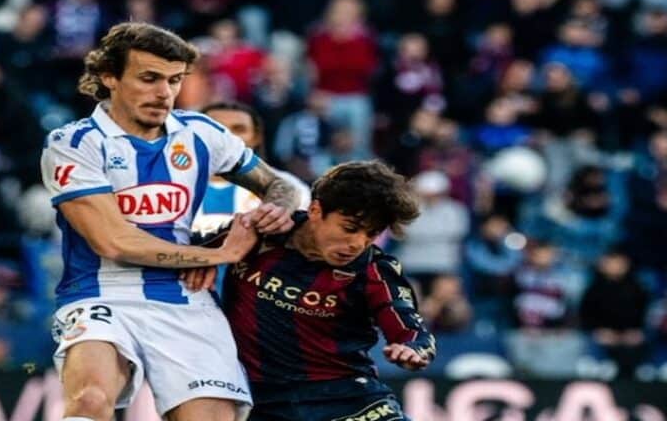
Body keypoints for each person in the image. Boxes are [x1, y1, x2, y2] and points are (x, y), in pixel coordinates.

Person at [40, 22, 300, 421]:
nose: (164, 93)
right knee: (90, 400)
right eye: (149, 78)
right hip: (100, 294)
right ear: (109, 76)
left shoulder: (201, 133)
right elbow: (113, 241)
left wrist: (271, 212)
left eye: (175, 80)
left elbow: (279, 186)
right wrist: (214, 255)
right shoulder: (75, 143)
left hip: (185, 297)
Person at [186, 161, 436, 421]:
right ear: (315, 210)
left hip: (349, 399)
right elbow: (188, 249)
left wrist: (412, 349)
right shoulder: (261, 233)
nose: (358, 243)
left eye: (371, 234)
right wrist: (204, 259)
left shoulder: (375, 270)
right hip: (264, 403)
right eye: (349, 228)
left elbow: (411, 329)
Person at [191, 101, 311, 295]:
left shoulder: (289, 187)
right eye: (217, 129)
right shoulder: (168, 182)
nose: (227, 137)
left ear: (256, 138)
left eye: (239, 129)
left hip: (256, 289)